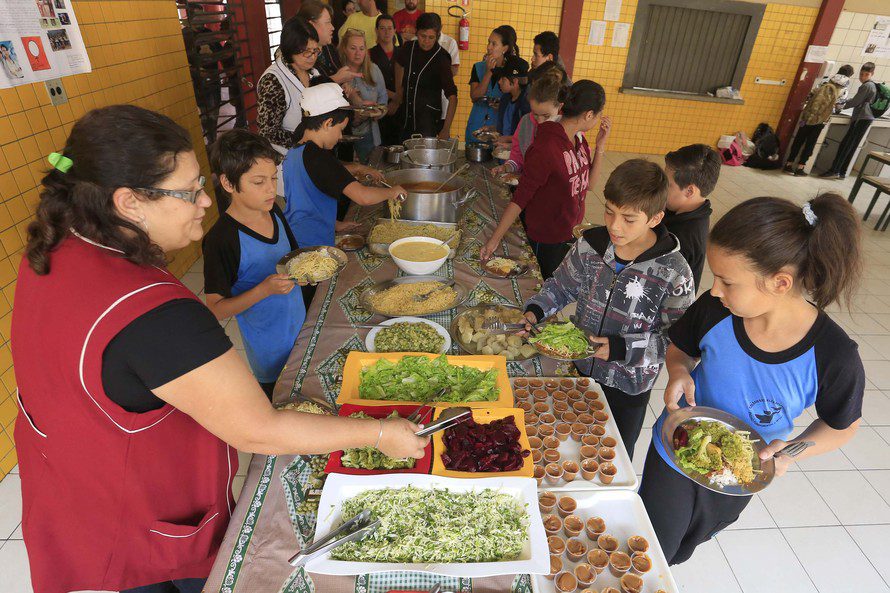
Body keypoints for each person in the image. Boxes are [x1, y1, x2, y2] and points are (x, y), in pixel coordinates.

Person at [11, 105, 428, 593]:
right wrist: (379, 436)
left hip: (75, 489)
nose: (204, 203)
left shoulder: (54, 248)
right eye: (189, 193)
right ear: (129, 202)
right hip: (142, 519)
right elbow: (258, 429)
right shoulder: (157, 315)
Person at [641, 193, 864, 565]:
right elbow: (680, 348)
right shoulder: (716, 309)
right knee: (653, 546)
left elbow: (843, 425)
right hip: (675, 446)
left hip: (738, 473)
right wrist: (678, 371)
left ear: (779, 283)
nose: (714, 290)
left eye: (727, 281)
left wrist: (792, 450)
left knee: (684, 547)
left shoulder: (833, 355)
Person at [523, 159, 694, 458]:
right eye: (610, 212)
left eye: (629, 219)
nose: (614, 226)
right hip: (579, 371)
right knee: (566, 448)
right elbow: (561, 285)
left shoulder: (674, 271)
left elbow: (675, 341)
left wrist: (619, 348)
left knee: (612, 454)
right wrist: (536, 310)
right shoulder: (591, 245)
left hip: (628, 388)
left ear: (655, 218)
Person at [203, 130, 304, 400]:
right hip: (270, 348)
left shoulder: (274, 211)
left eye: (273, 178)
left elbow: (294, 259)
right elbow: (215, 309)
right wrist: (264, 290)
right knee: (282, 408)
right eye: (259, 182)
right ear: (228, 183)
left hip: (301, 328)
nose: (272, 189)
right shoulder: (221, 239)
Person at [481, 80, 610, 279]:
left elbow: (589, 185)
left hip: (569, 230)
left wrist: (600, 147)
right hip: (547, 237)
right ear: (589, 114)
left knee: (558, 287)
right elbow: (521, 197)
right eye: (599, 114)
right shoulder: (546, 146)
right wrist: (494, 240)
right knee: (544, 286)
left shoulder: (579, 139)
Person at [282, 83, 404, 290]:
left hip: (297, 233)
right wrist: (392, 192)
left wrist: (335, 223)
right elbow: (363, 196)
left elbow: (306, 195)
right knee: (313, 292)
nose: (340, 137)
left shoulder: (297, 150)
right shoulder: (319, 158)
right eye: (339, 130)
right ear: (328, 122)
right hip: (313, 244)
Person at [257, 17, 328, 155]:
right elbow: (267, 132)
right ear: (290, 49)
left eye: (315, 50)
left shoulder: (313, 72)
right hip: (286, 159)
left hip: (313, 152)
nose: (313, 56)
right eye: (307, 51)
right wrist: (306, 139)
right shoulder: (273, 80)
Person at [492, 62, 569, 177]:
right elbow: (517, 157)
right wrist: (506, 167)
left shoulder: (567, 128)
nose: (540, 121)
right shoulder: (526, 122)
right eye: (535, 114)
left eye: (547, 116)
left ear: (560, 106)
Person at [663, 144, 721, 292]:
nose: (661, 188)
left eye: (668, 185)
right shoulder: (686, 212)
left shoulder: (683, 239)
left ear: (689, 191)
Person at [392, 12, 458, 140]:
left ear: (438, 35)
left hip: (428, 122)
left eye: (431, 37)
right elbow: (398, 64)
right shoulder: (408, 48)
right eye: (423, 36)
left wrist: (445, 129)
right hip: (404, 117)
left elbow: (453, 97)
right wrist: (398, 91)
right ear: (416, 32)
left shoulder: (442, 58)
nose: (426, 41)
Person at [784, 65, 853, 176]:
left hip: (808, 116)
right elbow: (839, 106)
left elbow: (810, 94)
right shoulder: (844, 90)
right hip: (821, 120)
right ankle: (800, 167)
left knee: (799, 139)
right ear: (849, 76)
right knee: (810, 143)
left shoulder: (825, 81)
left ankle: (788, 164)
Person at [465, 26, 527, 140]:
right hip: (476, 127)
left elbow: (516, 102)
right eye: (488, 42)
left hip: (498, 131)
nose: (489, 47)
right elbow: (475, 96)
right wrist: (488, 72)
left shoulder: (510, 73)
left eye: (494, 44)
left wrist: (502, 104)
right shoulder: (478, 67)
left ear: (505, 48)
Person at [820, 62, 878, 179]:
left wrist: (839, 106)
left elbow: (855, 102)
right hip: (867, 118)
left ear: (872, 74)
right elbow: (858, 100)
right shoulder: (873, 85)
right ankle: (842, 172)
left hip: (861, 118)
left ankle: (834, 170)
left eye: (866, 74)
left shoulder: (866, 86)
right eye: (861, 74)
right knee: (852, 145)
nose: (863, 77)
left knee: (846, 145)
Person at [340, 29, 388, 162]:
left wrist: (378, 112)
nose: (358, 53)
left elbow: (383, 99)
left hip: (370, 135)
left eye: (361, 48)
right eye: (353, 48)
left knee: (369, 173)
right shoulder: (338, 73)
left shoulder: (374, 70)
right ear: (344, 49)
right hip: (343, 137)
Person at [298, 0, 365, 86]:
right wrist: (336, 79)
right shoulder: (296, 54)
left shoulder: (329, 48)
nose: (332, 27)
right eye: (327, 22)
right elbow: (303, 92)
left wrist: (344, 85)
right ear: (311, 26)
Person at [370, 14, 400, 145]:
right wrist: (393, 96)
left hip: (400, 108)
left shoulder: (403, 53)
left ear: (394, 30)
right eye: (382, 28)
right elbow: (369, 82)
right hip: (378, 108)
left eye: (390, 28)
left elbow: (408, 81)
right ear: (376, 31)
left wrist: (397, 101)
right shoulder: (369, 54)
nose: (387, 32)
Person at [494, 54, 531, 138]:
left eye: (503, 79)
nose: (499, 82)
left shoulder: (526, 104)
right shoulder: (505, 98)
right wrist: (492, 129)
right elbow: (505, 127)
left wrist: (506, 141)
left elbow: (526, 136)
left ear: (515, 82)